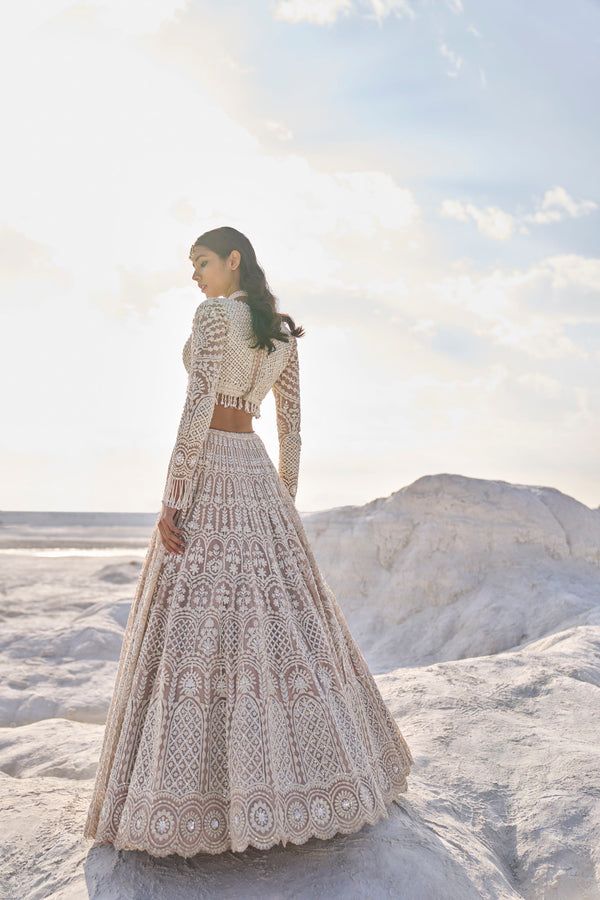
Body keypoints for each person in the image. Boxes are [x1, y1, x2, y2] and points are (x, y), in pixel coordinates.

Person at [83, 226, 413, 857]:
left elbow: (197, 401)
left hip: (211, 465)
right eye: (192, 265)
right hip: (256, 472)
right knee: (273, 624)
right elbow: (291, 431)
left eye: (202, 262)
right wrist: (280, 507)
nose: (195, 274)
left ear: (234, 261)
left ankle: (190, 803)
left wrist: (174, 493)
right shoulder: (283, 332)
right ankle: (311, 782)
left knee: (197, 626)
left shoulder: (213, 315)